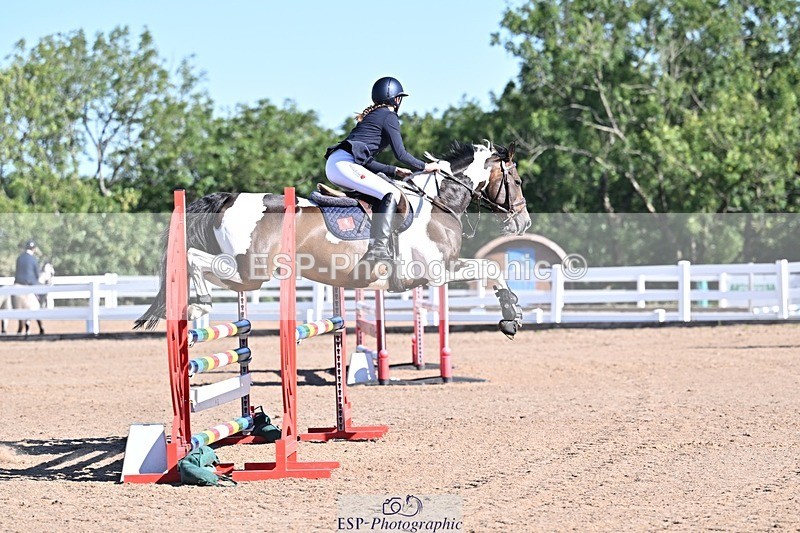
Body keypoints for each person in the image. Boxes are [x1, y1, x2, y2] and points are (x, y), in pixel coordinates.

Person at [325, 76, 440, 265]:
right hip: (344, 165)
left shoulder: (373, 115)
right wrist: (426, 166)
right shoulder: (389, 115)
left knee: (381, 191)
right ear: (396, 99)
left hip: (338, 164)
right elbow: (401, 154)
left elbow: (367, 162)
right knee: (392, 193)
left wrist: (394, 171)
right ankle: (378, 248)